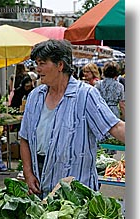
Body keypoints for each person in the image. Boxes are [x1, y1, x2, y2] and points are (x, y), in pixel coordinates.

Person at [19, 39, 125, 199]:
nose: (37, 69)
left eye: (42, 63)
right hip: (40, 185)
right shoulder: (35, 96)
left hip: (76, 190)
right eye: (36, 63)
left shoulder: (85, 95)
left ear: (60, 65)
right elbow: (25, 138)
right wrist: (28, 172)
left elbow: (114, 126)